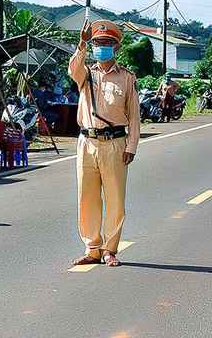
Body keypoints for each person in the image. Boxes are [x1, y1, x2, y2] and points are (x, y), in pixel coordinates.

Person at [68, 19, 140, 267]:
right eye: (98, 43)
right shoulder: (86, 74)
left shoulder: (127, 78)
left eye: (107, 44)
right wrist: (83, 42)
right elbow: (72, 68)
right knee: (87, 197)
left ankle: (110, 249)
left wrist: (131, 147)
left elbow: (134, 116)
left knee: (115, 199)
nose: (102, 48)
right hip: (87, 143)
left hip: (115, 144)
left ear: (116, 47)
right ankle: (92, 247)